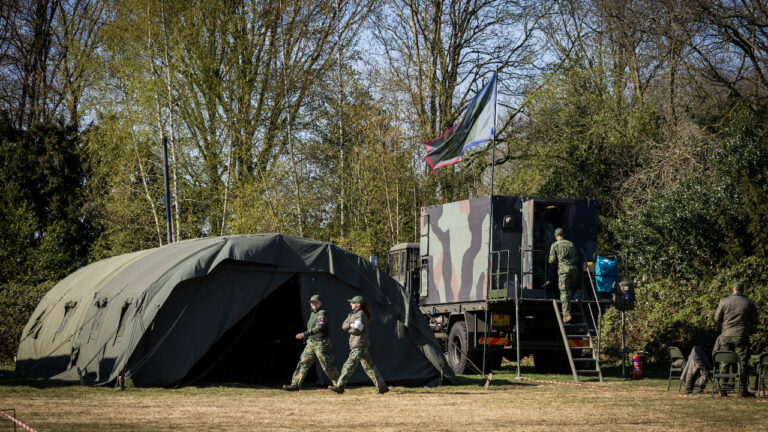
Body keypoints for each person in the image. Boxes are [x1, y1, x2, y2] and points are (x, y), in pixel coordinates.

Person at [328, 295, 388, 394]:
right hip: (358, 343)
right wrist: (351, 325)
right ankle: (382, 387)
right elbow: (343, 325)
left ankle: (340, 387)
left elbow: (357, 330)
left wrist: (349, 329)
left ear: (358, 304)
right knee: (369, 367)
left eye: (352, 302)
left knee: (348, 365)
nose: (350, 304)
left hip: (359, 343)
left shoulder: (361, 314)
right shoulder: (352, 314)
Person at [282, 294, 339, 391]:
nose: (314, 304)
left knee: (327, 364)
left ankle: (339, 385)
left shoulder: (322, 313)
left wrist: (304, 334)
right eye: (312, 303)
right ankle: (295, 385)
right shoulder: (313, 314)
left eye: (316, 302)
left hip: (321, 343)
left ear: (320, 303)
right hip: (311, 343)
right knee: (303, 362)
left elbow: (319, 327)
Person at [714, 281, 759, 397]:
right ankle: (743, 389)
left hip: (726, 334)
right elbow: (755, 318)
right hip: (741, 335)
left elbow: (717, 319)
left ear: (733, 289)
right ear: (742, 290)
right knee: (743, 361)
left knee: (725, 361)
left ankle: (723, 388)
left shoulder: (724, 301)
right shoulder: (748, 302)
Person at [548, 227, 577, 323]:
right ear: (563, 235)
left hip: (564, 271)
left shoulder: (555, 245)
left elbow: (552, 260)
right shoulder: (571, 244)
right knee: (568, 290)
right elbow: (576, 258)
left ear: (555, 236)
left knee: (564, 292)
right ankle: (569, 308)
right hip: (573, 269)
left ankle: (566, 315)